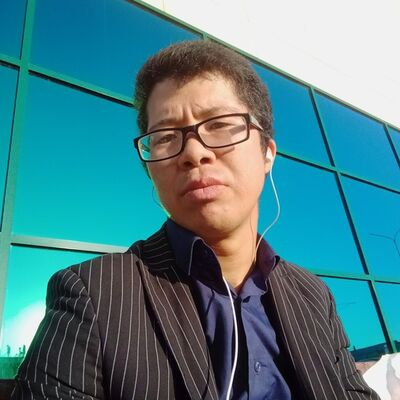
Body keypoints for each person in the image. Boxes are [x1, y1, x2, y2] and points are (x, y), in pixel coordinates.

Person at [12, 40, 380, 400]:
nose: (193, 152)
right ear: (149, 170)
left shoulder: (313, 295)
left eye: (219, 124)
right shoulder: (92, 294)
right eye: (166, 137)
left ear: (267, 153)